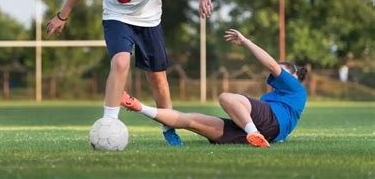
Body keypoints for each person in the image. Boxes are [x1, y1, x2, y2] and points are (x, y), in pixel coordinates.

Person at [46, 0, 213, 146]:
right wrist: (62, 16)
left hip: (150, 22)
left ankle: (168, 127)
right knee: (120, 61)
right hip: (117, 19)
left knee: (158, 79)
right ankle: (109, 122)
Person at [120, 29, 308, 147]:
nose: (278, 75)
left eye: (282, 72)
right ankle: (139, 106)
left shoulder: (297, 89)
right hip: (266, 134)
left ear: (293, 76)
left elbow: (272, 66)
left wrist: (246, 42)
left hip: (263, 126)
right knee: (190, 120)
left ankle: (252, 132)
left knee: (227, 97)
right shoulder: (276, 97)